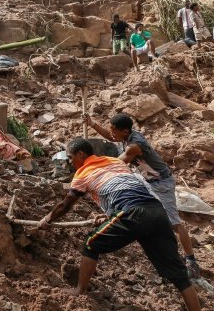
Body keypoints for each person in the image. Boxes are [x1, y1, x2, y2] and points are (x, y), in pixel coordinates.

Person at [37, 139, 201, 310]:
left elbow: (66, 205)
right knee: (179, 275)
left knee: (91, 243)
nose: (69, 162)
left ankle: (79, 290)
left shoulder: (83, 173)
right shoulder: (114, 161)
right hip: (157, 211)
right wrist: (110, 216)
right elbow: (121, 188)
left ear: (81, 154)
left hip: (133, 212)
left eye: (70, 158)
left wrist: (47, 219)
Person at [84, 114, 201, 279]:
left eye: (114, 131)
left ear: (125, 131)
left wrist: (90, 172)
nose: (112, 135)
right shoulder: (126, 135)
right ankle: (112, 214)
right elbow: (110, 136)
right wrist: (92, 124)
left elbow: (117, 164)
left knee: (173, 223)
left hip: (162, 184)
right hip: (146, 180)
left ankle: (191, 261)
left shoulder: (135, 146)